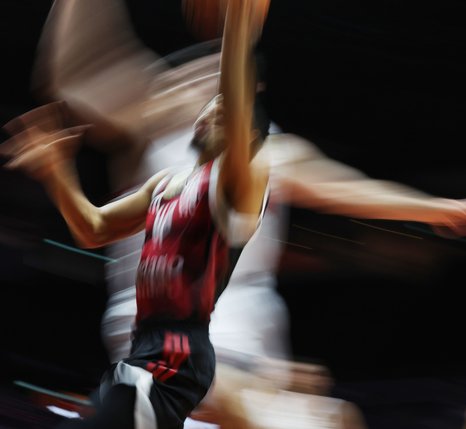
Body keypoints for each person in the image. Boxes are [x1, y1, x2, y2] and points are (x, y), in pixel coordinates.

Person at [1, 1, 269, 429]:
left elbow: (235, 92)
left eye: (222, 112)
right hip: (140, 353)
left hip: (177, 357)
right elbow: (93, 229)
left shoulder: (238, 184)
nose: (209, 113)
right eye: (208, 109)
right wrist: (58, 173)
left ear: (246, 138)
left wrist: (238, 18)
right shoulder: (163, 184)